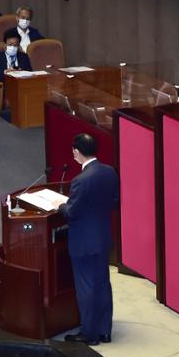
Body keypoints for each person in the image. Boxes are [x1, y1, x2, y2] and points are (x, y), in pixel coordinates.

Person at [51, 134, 119, 345]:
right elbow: (115, 202)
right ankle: (104, 331)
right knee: (102, 284)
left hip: (84, 243)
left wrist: (60, 205)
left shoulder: (80, 180)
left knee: (87, 288)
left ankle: (89, 334)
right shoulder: (109, 172)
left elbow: (71, 212)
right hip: (102, 238)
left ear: (76, 152)